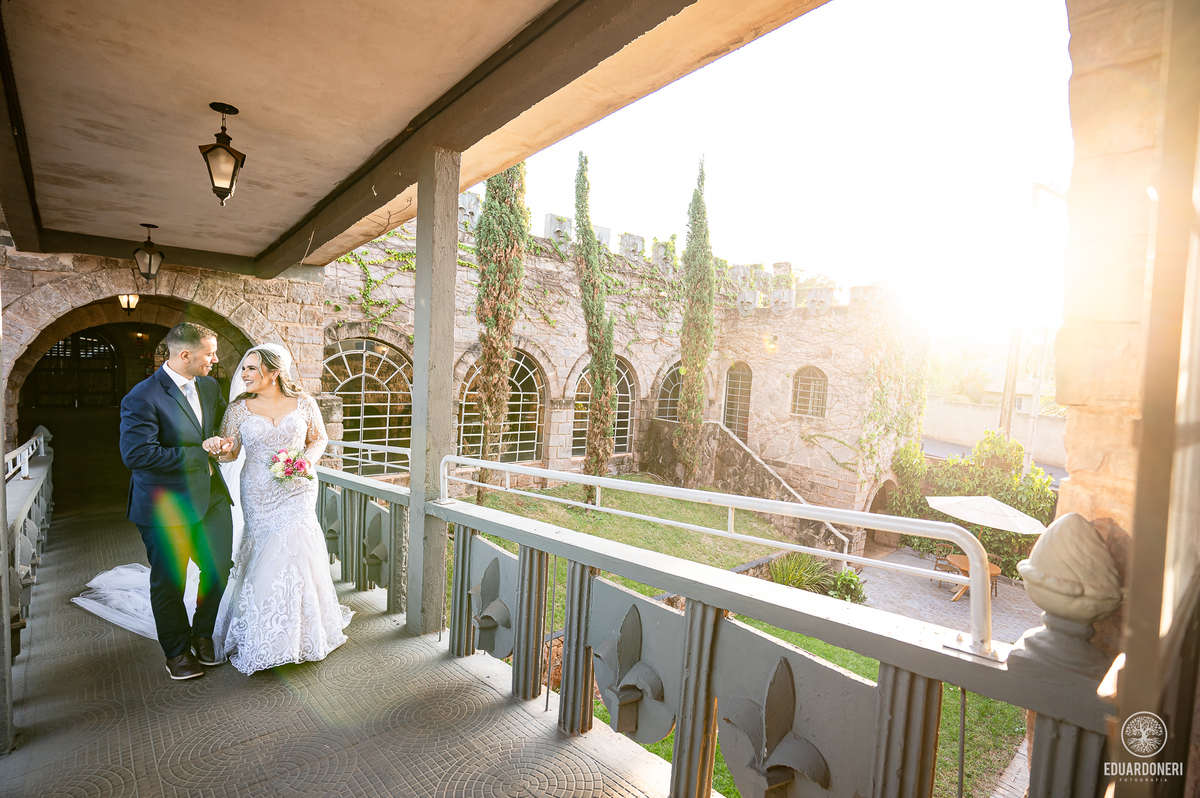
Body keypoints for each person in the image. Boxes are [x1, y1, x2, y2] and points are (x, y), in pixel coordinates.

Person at [209, 343, 351, 674]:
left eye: (251, 369)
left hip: (298, 486)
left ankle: (302, 632)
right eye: (243, 369)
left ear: (274, 372)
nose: (243, 374)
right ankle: (263, 632)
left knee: (297, 551)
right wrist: (220, 451)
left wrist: (304, 461)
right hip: (258, 489)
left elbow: (319, 439)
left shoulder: (305, 403)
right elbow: (230, 452)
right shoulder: (238, 410)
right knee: (265, 552)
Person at [118, 322, 233, 681]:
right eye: (210, 353)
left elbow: (216, 430)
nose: (215, 360)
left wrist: (222, 444)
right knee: (171, 581)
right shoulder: (142, 396)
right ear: (186, 355)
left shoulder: (211, 386)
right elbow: (137, 455)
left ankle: (202, 634)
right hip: (164, 505)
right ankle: (178, 650)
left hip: (210, 497)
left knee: (218, 570)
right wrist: (199, 454)